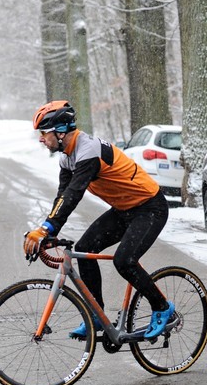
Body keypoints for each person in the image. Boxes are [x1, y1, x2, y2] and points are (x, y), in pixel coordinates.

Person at [22, 100, 175, 339]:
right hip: (124, 209)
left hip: (150, 208)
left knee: (124, 261)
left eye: (44, 133)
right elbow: (62, 197)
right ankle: (98, 316)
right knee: (85, 248)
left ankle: (163, 308)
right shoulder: (67, 156)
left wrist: (46, 228)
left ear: (60, 132)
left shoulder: (87, 151)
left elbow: (74, 194)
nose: (42, 139)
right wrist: (48, 231)